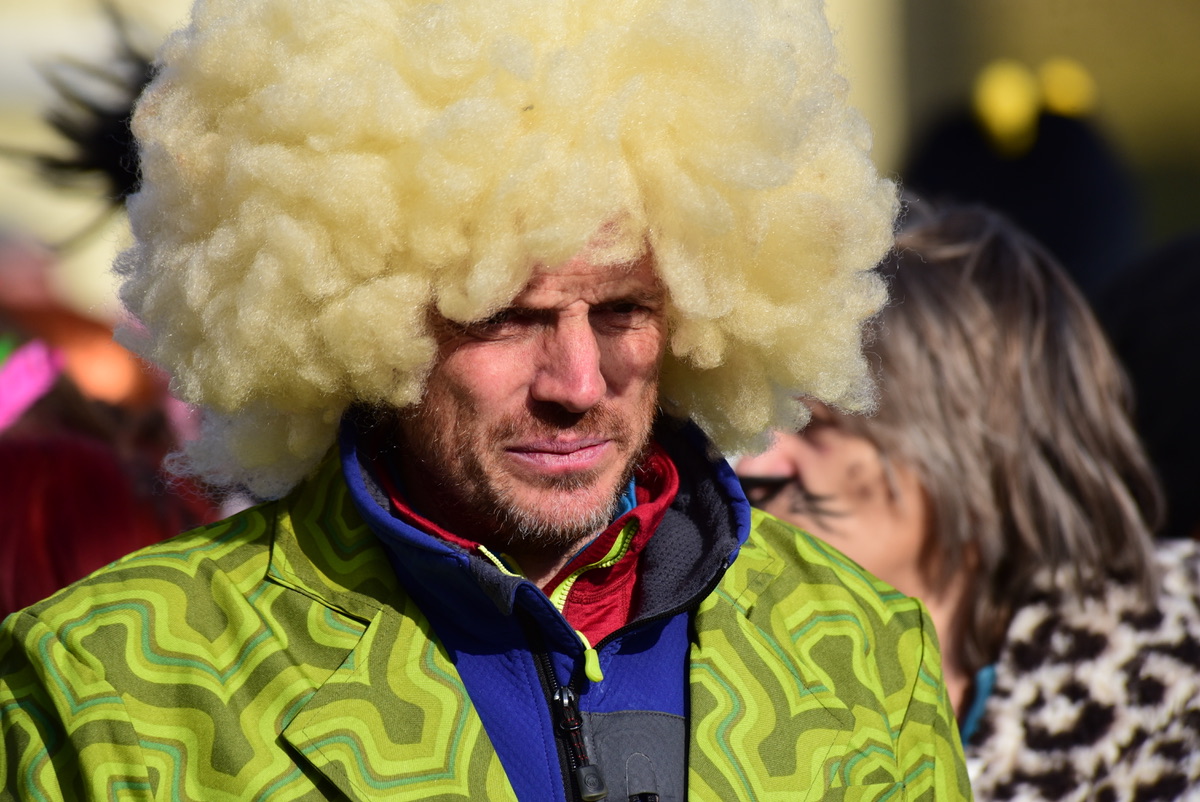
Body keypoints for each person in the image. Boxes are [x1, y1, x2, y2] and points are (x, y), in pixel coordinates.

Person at [0, 1, 972, 799]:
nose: (578, 385)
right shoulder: (104, 685)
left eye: (624, 309)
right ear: (358, 316)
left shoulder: (862, 649)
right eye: (504, 316)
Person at [736, 203, 1200, 801]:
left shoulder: (1167, 687)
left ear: (968, 450)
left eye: (816, 426)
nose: (754, 464)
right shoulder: (713, 668)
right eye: (764, 421)